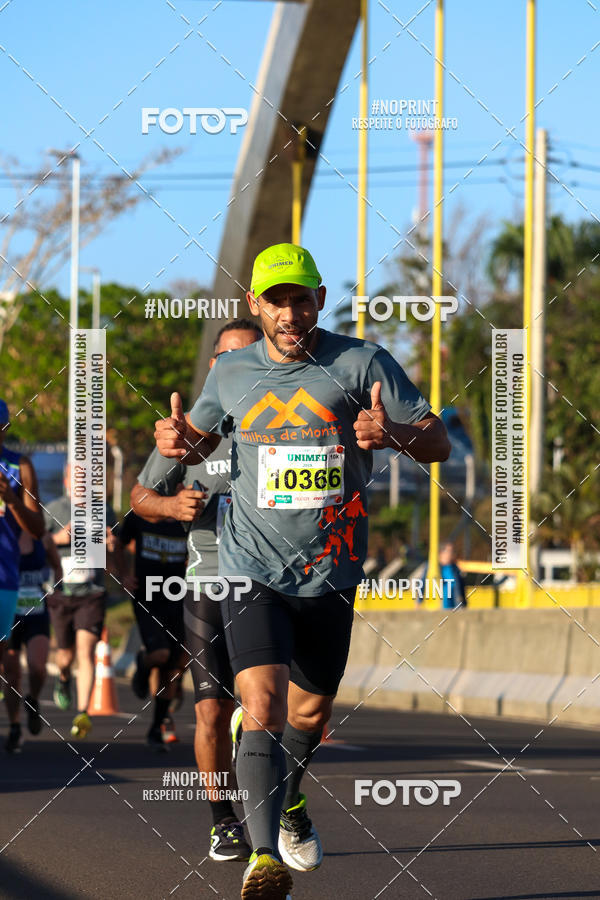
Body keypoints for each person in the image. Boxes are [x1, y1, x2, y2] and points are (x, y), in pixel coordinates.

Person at [155, 243, 451, 900]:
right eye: (276, 301)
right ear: (255, 304)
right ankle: (264, 859)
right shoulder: (230, 371)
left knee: (310, 716)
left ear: (319, 299)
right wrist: (178, 442)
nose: (290, 313)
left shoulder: (362, 362)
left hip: (331, 572)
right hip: (250, 566)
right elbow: (201, 441)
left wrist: (393, 436)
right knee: (260, 704)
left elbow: (439, 441)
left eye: (301, 299)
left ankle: (289, 800)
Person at [131, 318, 262, 860]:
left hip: (270, 584)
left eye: (250, 354)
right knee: (211, 710)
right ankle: (223, 820)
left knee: (269, 709)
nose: (239, 365)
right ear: (214, 366)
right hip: (207, 582)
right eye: (228, 356)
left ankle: (280, 806)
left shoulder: (283, 422)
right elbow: (140, 496)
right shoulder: (190, 431)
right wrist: (171, 505)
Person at [44, 464, 118, 738]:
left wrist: (110, 546)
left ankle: (82, 712)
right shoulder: (53, 509)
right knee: (65, 656)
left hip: (92, 592)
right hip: (62, 593)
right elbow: (38, 543)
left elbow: (112, 553)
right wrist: (58, 538)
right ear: (66, 481)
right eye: (76, 479)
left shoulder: (103, 511)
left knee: (86, 652)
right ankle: (63, 677)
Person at [114, 509, 188, 750]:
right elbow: (118, 544)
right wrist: (124, 575)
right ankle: (143, 663)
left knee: (172, 668)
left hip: (178, 598)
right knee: (160, 654)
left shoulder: (187, 517)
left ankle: (157, 727)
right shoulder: (140, 515)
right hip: (147, 597)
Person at [0, 398, 45, 717]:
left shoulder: (20, 467)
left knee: (7, 659)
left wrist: (12, 499)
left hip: (5, 577)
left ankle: (14, 724)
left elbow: (38, 528)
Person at [4, 531, 62, 753]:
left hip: (37, 614)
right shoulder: (3, 536)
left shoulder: (42, 537)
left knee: (38, 667)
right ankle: (14, 726)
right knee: (12, 673)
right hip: (9, 614)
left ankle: (33, 699)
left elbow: (57, 567)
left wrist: (56, 590)